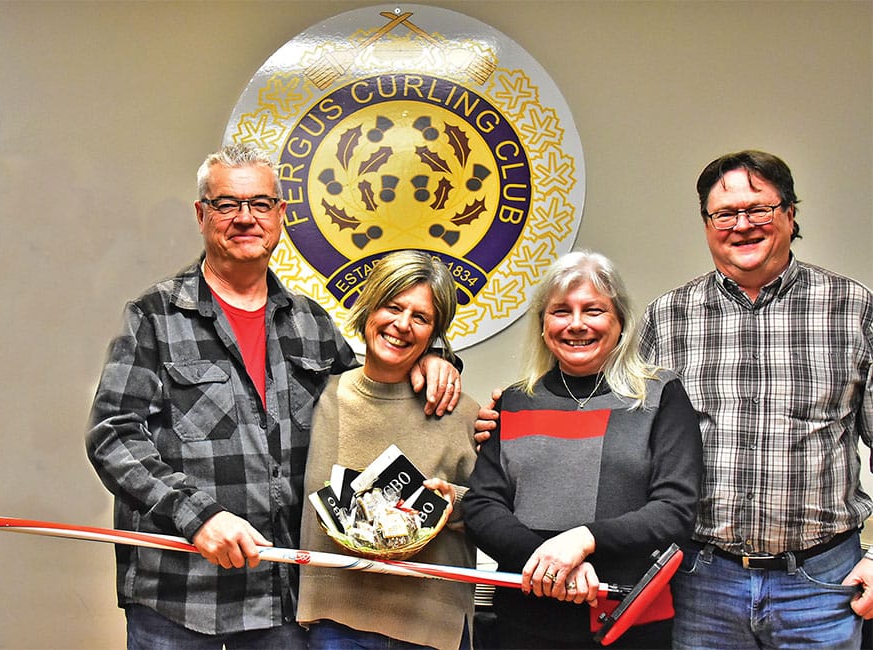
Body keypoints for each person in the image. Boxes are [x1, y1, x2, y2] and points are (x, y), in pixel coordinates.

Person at [86, 144, 461, 648]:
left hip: (279, 598)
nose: (246, 218)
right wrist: (197, 516)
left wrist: (432, 356)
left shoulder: (310, 323)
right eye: (227, 204)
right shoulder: (154, 316)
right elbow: (112, 435)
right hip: (178, 597)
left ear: (280, 214)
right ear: (201, 214)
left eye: (260, 204)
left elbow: (374, 386)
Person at [638, 149, 873, 649]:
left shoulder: (852, 308)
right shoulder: (668, 317)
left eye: (758, 209)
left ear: (790, 213)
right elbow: (625, 443)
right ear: (707, 224)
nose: (742, 225)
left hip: (822, 584)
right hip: (701, 581)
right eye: (725, 214)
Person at [465, 250, 702, 649]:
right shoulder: (513, 402)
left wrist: (583, 540)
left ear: (620, 321)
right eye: (561, 311)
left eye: (593, 310)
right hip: (524, 622)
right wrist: (550, 562)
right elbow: (481, 506)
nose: (576, 324)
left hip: (628, 622)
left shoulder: (661, 396)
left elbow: (674, 510)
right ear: (543, 325)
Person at [297, 249, 479, 649]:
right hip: (333, 622)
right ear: (369, 308)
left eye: (421, 317)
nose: (402, 325)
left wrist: (453, 503)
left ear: (434, 333)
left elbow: (495, 508)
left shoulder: (461, 412)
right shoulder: (318, 398)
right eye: (392, 307)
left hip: (428, 627)